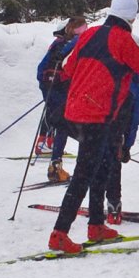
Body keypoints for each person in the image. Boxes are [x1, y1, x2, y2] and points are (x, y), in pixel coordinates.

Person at [48, 0, 139, 254]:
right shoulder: (124, 39)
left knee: (103, 166)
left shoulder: (89, 34)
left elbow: (66, 66)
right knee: (85, 174)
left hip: (78, 112)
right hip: (96, 116)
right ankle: (59, 234)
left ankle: (96, 225)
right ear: (131, 17)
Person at [36, 17, 87, 182]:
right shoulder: (76, 42)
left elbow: (42, 68)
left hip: (47, 83)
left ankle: (50, 153)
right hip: (60, 86)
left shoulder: (59, 42)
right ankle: (56, 165)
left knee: (58, 121)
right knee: (64, 125)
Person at [102, 73, 139, 226]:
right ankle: (113, 208)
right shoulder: (134, 79)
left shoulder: (106, 65)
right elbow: (135, 119)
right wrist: (127, 146)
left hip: (95, 122)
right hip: (116, 128)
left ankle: (94, 209)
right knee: (113, 164)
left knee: (95, 165)